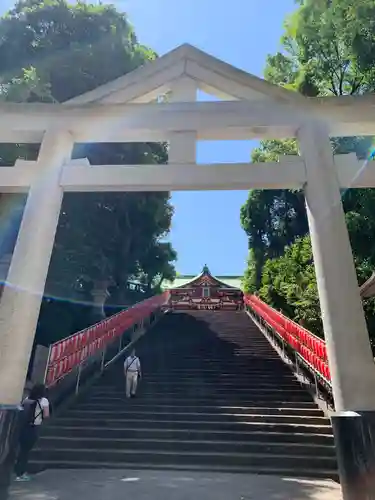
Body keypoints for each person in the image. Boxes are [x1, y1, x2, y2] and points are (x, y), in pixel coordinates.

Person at [14, 383, 50, 482]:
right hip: (34, 427)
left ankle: (18, 471)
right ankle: (21, 473)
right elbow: (46, 415)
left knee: (22, 450)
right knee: (26, 451)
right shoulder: (44, 401)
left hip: (24, 427)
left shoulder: (27, 399)